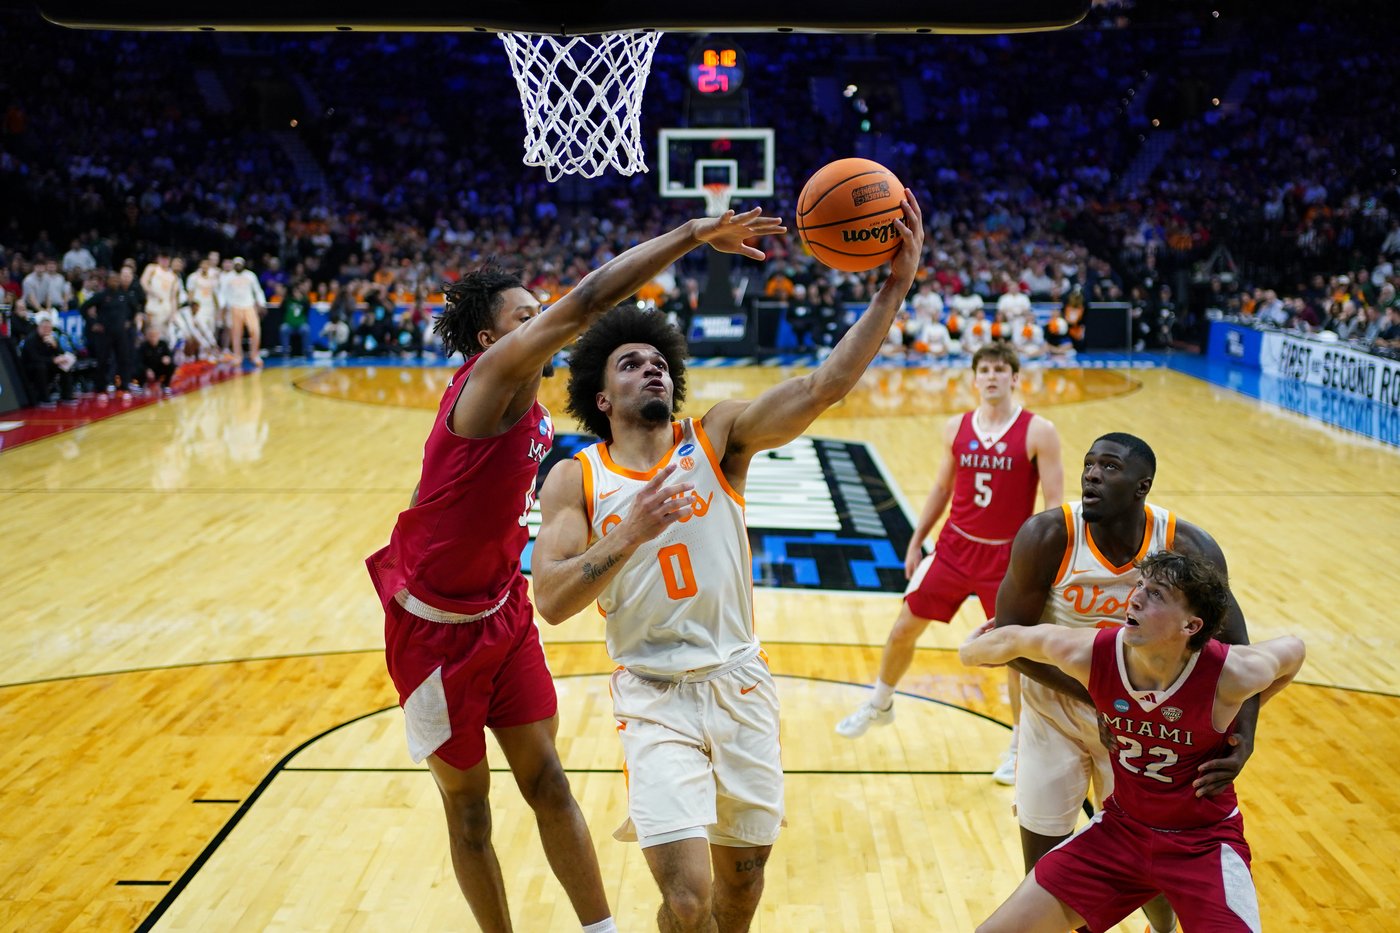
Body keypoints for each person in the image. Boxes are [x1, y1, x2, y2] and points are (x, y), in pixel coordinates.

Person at [364, 206, 784, 933]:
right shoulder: (489, 379)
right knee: (470, 811)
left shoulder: (533, 411)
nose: (546, 320)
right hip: (431, 632)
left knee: (550, 780)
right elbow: (588, 301)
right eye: (528, 315)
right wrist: (691, 235)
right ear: (494, 339)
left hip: (501, 610)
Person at [532, 193, 923, 933]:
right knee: (686, 901)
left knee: (739, 893)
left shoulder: (716, 439)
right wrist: (630, 531)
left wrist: (894, 286)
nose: (651, 370)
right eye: (630, 364)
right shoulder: (575, 478)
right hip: (653, 695)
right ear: (600, 396)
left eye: (658, 362)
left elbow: (823, 387)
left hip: (739, 683)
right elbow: (549, 601)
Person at [990, 432, 1260, 933]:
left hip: (1149, 729)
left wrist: (1244, 739)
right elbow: (1008, 640)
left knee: (1150, 869)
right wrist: (1099, 697)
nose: (1092, 474)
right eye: (1089, 464)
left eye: (1109, 466)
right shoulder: (1047, 536)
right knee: (1047, 869)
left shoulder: (1187, 547)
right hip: (1056, 714)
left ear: (1142, 486)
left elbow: (1240, 652)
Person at [961, 550, 1305, 932]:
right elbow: (1014, 639)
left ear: (1191, 626)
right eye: (1140, 585)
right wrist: (969, 650)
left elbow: (1294, 651)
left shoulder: (1231, 673)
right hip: (1120, 834)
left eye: (1156, 594)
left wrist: (1243, 732)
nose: (1135, 598)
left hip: (1203, 846)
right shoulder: (1093, 653)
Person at [836, 344, 1063, 787]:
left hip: (1007, 558)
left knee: (1014, 653)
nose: (992, 377)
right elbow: (942, 488)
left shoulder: (1039, 431)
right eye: (985, 370)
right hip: (954, 549)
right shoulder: (956, 427)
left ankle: (1019, 745)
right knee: (903, 627)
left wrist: (1045, 560)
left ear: (1015, 378)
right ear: (975, 379)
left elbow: (1053, 503)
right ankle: (880, 703)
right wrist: (916, 539)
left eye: (1000, 370)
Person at [218, 257, 266, 367]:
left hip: (249, 306)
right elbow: (223, 293)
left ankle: (255, 355)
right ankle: (237, 356)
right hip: (234, 307)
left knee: (255, 330)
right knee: (236, 333)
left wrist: (262, 304)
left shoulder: (250, 275)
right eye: (236, 264)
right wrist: (223, 307)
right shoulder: (227, 277)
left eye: (240, 264)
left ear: (243, 265)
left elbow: (257, 290)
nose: (238, 266)